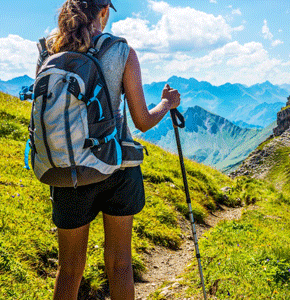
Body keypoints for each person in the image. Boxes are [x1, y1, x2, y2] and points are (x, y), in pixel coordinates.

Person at [44, 0, 180, 299]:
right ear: (103, 11)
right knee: (120, 265)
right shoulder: (122, 51)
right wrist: (167, 104)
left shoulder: (50, 53)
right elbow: (142, 121)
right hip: (117, 167)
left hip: (68, 169)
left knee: (68, 271)